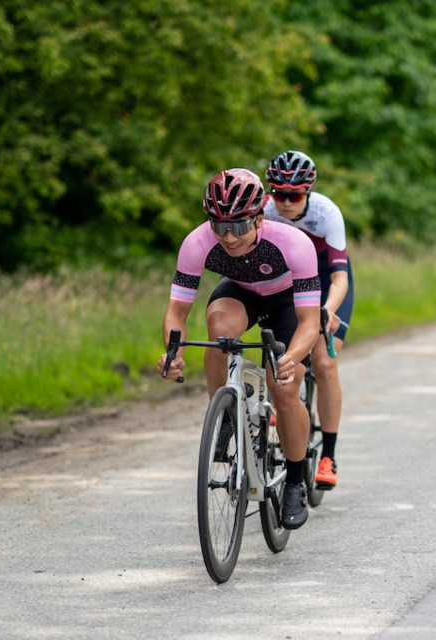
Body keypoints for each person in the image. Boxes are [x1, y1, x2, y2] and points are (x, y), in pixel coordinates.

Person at [157, 168, 320, 530]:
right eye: (219, 226)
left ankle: (295, 479)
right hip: (241, 292)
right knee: (218, 329)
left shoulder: (293, 244)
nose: (229, 237)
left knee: (284, 385)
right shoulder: (197, 243)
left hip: (285, 302)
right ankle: (228, 413)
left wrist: (290, 358)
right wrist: (173, 352)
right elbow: (177, 312)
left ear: (260, 218)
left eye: (240, 226)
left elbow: (309, 321)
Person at [263, 150, 353, 490]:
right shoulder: (266, 211)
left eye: (294, 195)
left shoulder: (327, 213)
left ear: (308, 192)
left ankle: (328, 455)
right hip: (290, 282)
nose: (284, 202)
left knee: (325, 361)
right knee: (286, 359)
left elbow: (340, 277)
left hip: (328, 281)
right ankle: (287, 408)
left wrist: (327, 309)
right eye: (278, 193)